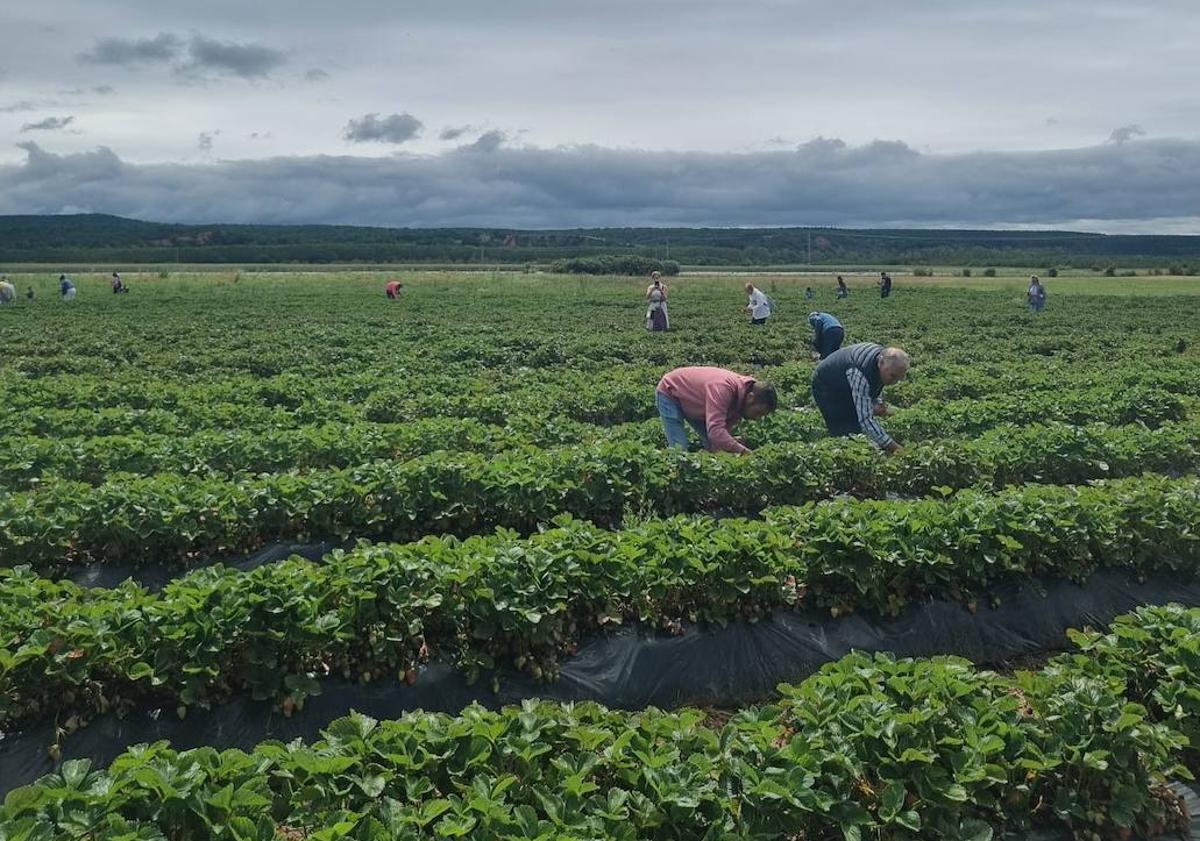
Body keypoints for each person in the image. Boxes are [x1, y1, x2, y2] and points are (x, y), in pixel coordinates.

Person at [810, 343, 909, 454]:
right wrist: (896, 448)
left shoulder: (884, 362)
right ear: (881, 362)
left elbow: (869, 391)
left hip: (845, 384)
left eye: (899, 378)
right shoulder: (860, 372)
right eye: (893, 376)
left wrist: (875, 403)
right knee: (848, 434)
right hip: (827, 387)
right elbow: (866, 419)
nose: (894, 382)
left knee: (859, 423)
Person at [655, 366, 778, 454]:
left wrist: (730, 444)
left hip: (696, 402)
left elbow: (719, 437)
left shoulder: (741, 400)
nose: (757, 418)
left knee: (716, 445)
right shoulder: (723, 388)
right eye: (758, 413)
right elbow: (716, 433)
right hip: (670, 391)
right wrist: (743, 451)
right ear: (751, 398)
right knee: (679, 450)